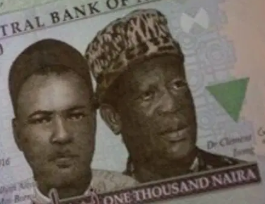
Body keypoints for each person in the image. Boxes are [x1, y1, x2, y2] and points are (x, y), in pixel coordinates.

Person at [84, 9, 244, 184]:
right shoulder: (114, 193)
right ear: (113, 118)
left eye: (178, 85)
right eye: (148, 95)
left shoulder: (239, 173)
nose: (171, 105)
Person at [8, 39, 137, 203]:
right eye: (42, 120)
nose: (62, 135)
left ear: (94, 122)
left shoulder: (133, 191)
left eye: (75, 116)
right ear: (18, 135)